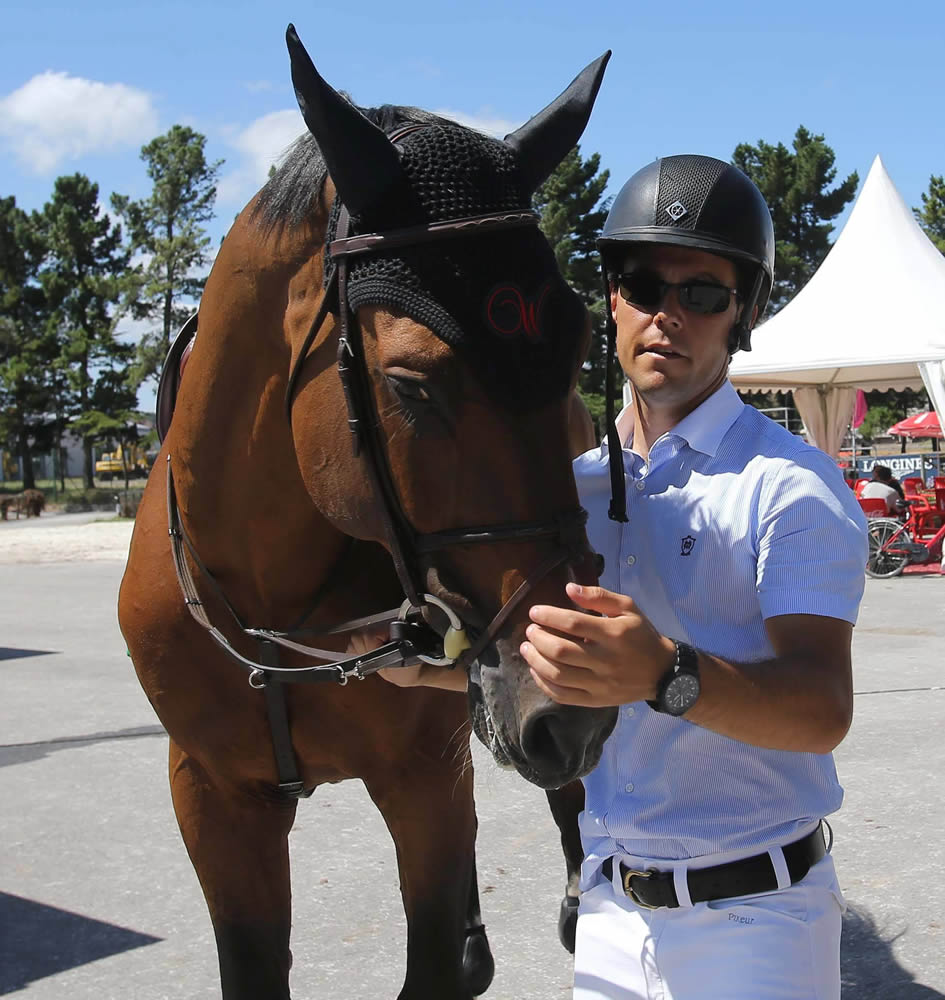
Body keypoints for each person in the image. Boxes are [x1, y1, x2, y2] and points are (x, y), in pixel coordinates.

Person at [381, 154, 868, 999]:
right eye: (642, 287)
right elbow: (535, 658)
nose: (666, 316)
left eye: (702, 294)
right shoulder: (572, 491)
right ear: (609, 302)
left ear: (744, 311)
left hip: (757, 917)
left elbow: (821, 710)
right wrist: (413, 662)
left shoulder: (790, 485)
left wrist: (664, 674)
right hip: (609, 909)